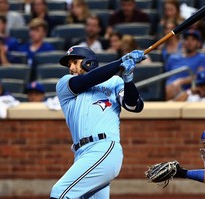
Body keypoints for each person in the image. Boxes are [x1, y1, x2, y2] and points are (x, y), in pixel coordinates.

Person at [50, 45, 146, 198]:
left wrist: (128, 80)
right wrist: (120, 62)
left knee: (59, 192)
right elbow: (88, 80)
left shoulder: (114, 82)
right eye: (69, 65)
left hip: (103, 148)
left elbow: (134, 106)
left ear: (88, 62)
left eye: (75, 62)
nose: (71, 68)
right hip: (81, 154)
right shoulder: (65, 84)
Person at [165, 29, 205, 100]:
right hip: (168, 88)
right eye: (186, 39)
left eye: (193, 40)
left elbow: (201, 76)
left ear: (198, 43)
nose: (189, 42)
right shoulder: (173, 58)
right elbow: (166, 75)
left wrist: (181, 81)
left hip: (189, 91)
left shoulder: (203, 58)